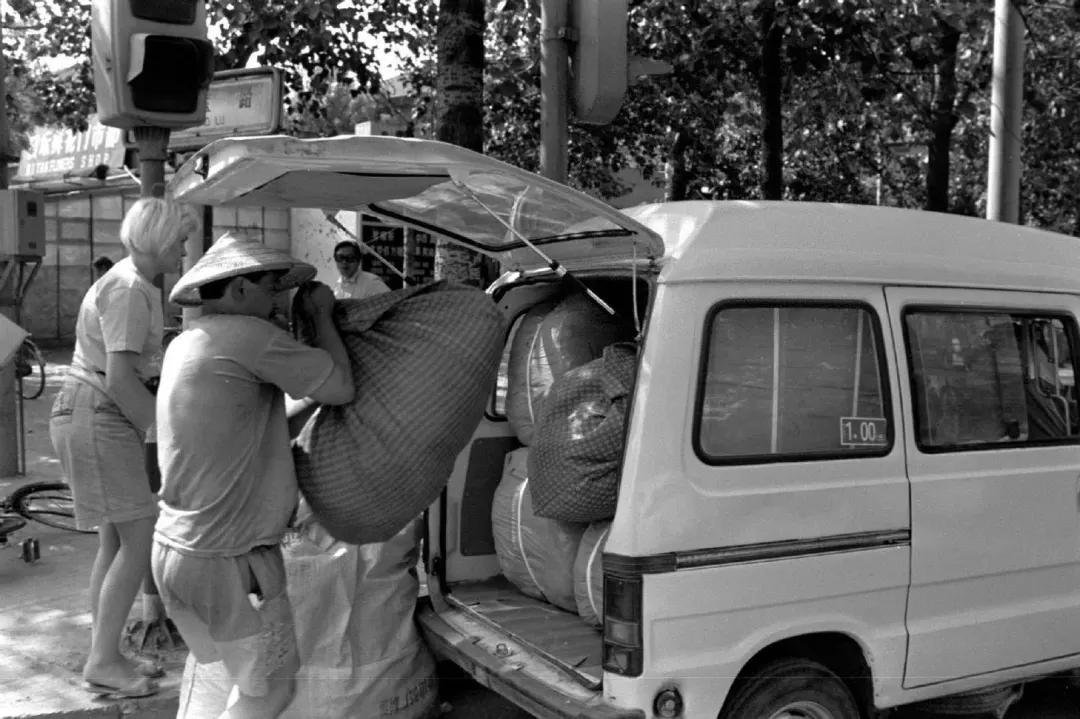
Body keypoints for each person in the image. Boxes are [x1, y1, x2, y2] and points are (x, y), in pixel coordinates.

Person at [151, 233, 355, 719]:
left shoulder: (189, 343)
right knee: (270, 694)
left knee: (241, 687)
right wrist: (323, 316)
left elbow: (253, 422)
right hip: (227, 562)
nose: (277, 299)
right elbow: (342, 388)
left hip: (176, 553)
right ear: (240, 289)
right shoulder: (250, 336)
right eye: (269, 287)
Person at [49, 197, 200, 699]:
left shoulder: (131, 283)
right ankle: (102, 660)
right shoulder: (132, 289)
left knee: (116, 540)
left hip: (91, 412)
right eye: (180, 239)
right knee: (141, 537)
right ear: (159, 239)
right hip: (98, 414)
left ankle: (106, 651)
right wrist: (164, 437)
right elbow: (119, 378)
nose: (184, 248)